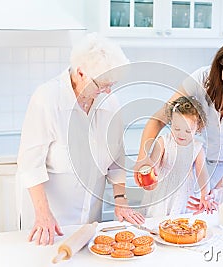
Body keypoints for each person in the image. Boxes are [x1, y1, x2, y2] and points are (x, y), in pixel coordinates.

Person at [16, 32, 145, 246]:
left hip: (89, 221)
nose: (107, 91)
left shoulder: (109, 102)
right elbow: (30, 165)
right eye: (102, 84)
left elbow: (116, 157)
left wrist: (120, 200)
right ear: (81, 73)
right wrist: (43, 214)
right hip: (49, 222)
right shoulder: (47, 98)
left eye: (111, 84)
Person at [135, 36, 223, 211]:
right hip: (201, 167)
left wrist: (215, 193)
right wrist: (142, 158)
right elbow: (159, 118)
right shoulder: (202, 78)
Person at [140, 96, 212, 218]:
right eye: (177, 128)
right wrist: (151, 175)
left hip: (183, 194)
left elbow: (202, 175)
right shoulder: (163, 142)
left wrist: (205, 195)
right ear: (171, 122)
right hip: (163, 191)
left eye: (188, 131)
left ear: (198, 127)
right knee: (158, 221)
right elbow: (154, 164)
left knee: (181, 223)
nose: (181, 134)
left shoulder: (197, 147)